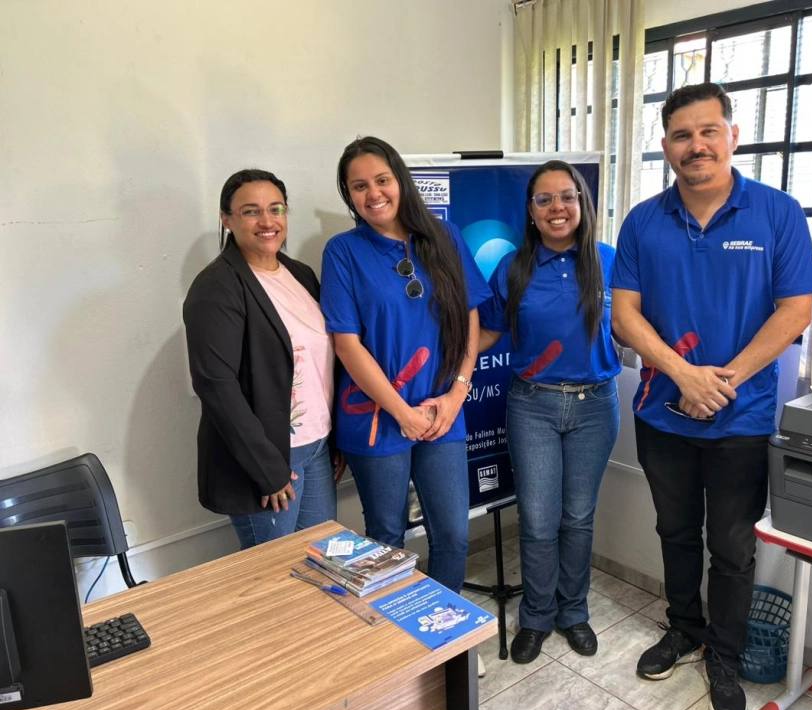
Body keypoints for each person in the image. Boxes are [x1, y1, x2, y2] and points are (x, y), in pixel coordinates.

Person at [610, 83, 812, 710]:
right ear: (666, 145)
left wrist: (720, 382)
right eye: (682, 134)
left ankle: (724, 657)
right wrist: (682, 374)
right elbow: (624, 316)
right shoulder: (643, 221)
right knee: (675, 532)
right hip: (661, 413)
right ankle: (683, 628)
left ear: (733, 135)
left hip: (743, 419)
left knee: (732, 548)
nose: (695, 145)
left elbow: (796, 311)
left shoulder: (777, 213)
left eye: (708, 131)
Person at [320, 136, 490, 597]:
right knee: (386, 540)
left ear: (401, 181)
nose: (373, 193)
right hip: (377, 417)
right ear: (348, 194)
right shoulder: (343, 251)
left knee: (453, 534)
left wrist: (457, 394)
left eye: (382, 180)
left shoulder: (444, 236)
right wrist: (402, 413)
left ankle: (443, 630)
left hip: (442, 411)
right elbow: (347, 345)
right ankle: (394, 636)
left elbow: (469, 317)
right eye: (359, 186)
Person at [479, 161, 620, 664]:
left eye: (567, 196)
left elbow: (637, 326)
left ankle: (573, 612)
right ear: (531, 210)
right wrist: (444, 366)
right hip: (532, 406)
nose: (557, 207)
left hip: (595, 407)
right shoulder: (513, 267)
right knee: (538, 520)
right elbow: (487, 331)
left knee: (578, 518)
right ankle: (536, 616)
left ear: (582, 203)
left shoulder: (609, 261)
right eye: (544, 199)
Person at [184, 169, 343, 550]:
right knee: (274, 574)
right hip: (269, 459)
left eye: (276, 209)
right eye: (251, 211)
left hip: (316, 445)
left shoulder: (300, 274)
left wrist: (334, 436)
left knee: (324, 560)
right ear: (227, 219)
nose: (267, 221)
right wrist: (267, 470)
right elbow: (216, 386)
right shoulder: (217, 287)